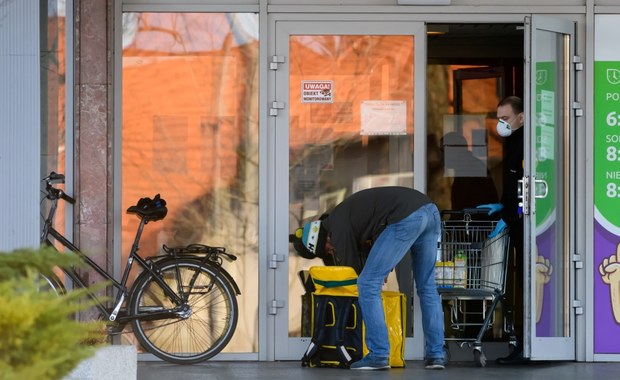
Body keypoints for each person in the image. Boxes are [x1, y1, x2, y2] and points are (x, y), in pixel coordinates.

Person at [290, 186, 446, 370]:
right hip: (430, 211)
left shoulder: (336, 227)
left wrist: (374, 275)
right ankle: (436, 355)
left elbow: (352, 270)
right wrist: (381, 269)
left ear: (324, 240)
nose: (332, 251)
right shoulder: (345, 216)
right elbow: (375, 241)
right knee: (427, 287)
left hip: (407, 216)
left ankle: (378, 354)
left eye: (327, 250)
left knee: (366, 284)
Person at [478, 95, 527, 364]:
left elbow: (525, 189)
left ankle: (527, 345)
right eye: (499, 118)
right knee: (521, 283)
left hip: (523, 223)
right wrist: (502, 206)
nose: (501, 124)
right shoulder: (512, 143)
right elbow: (514, 188)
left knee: (527, 283)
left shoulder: (526, 145)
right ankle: (523, 344)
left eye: (505, 119)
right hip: (516, 219)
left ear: (521, 118)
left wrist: (510, 214)